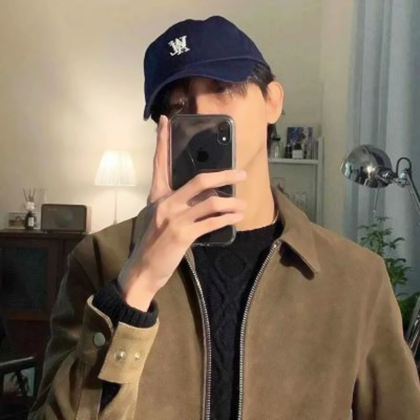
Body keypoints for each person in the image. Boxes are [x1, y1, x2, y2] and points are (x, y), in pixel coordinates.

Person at [29, 15, 420, 420]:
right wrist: (135, 286)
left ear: (272, 101)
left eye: (221, 87)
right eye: (178, 105)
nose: (201, 111)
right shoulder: (99, 258)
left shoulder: (356, 278)